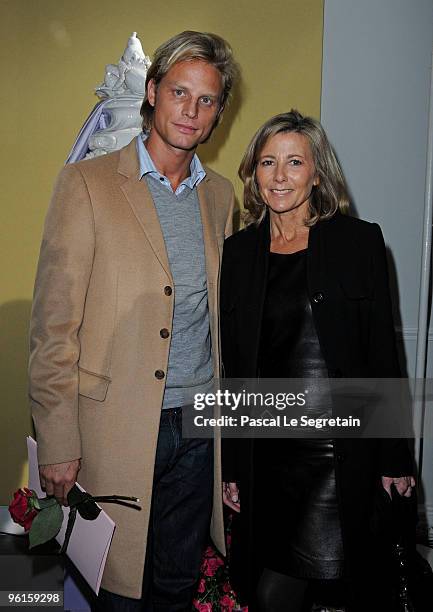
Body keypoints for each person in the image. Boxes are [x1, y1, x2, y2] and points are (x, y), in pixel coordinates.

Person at [29, 31, 238, 611]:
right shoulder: (87, 186)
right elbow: (53, 330)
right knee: (117, 594)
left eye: (207, 100)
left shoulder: (221, 198)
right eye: (179, 92)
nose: (192, 111)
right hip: (115, 431)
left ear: (220, 111)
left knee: (175, 588)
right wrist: (58, 441)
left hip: (200, 428)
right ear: (152, 91)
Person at [220, 110, 415, 612]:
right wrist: (233, 467)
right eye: (268, 162)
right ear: (254, 172)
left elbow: (382, 356)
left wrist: (394, 457)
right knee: (266, 589)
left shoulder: (358, 241)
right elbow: (236, 370)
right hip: (270, 458)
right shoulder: (238, 254)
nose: (280, 176)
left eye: (294, 162)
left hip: (336, 454)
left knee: (313, 589)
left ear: (317, 172)